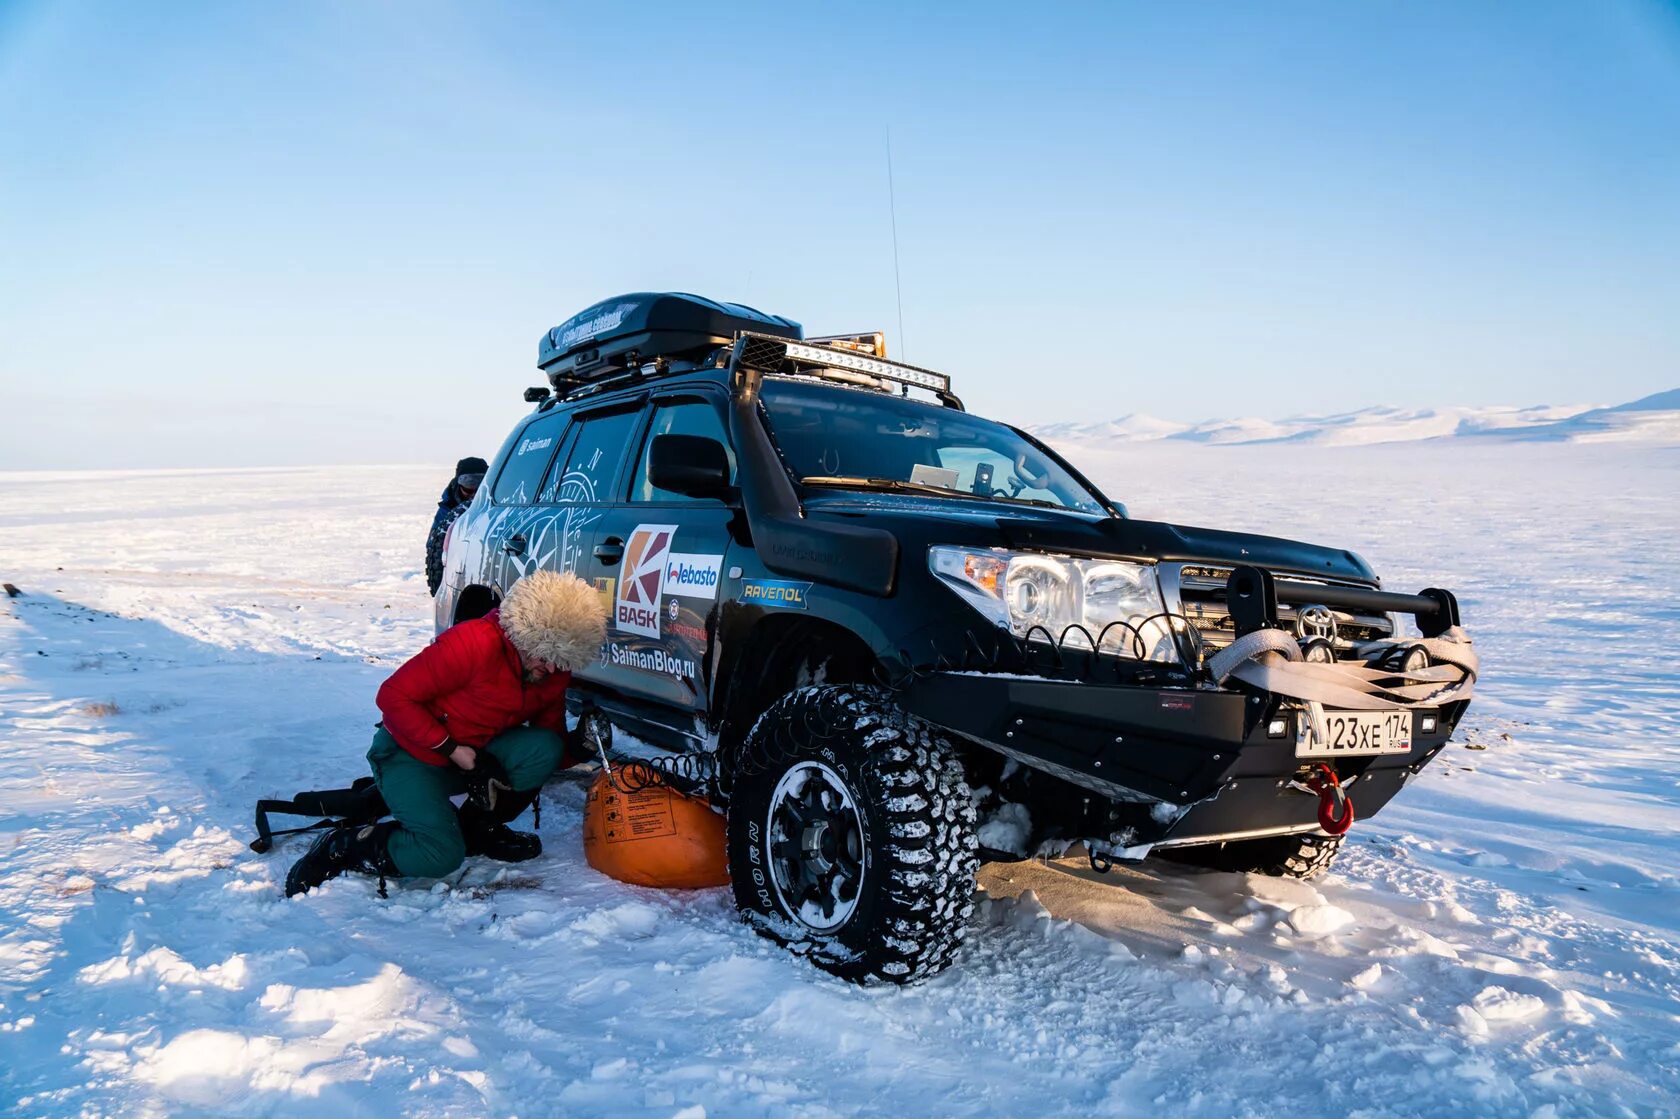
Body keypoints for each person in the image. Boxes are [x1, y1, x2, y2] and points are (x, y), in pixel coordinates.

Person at [286, 570, 607, 897]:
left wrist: (579, 748)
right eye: (546, 655)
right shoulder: (474, 643)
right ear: (524, 635)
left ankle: (479, 830)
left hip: (471, 758)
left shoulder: (549, 673)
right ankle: (344, 846)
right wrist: (452, 748)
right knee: (439, 854)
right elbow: (393, 696)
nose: (552, 668)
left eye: (561, 660)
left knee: (542, 747)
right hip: (408, 755)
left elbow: (548, 744)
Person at [426, 456, 488, 596]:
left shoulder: (495, 501)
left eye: (479, 483)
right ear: (458, 482)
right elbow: (434, 544)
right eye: (468, 482)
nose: (473, 492)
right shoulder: (448, 507)